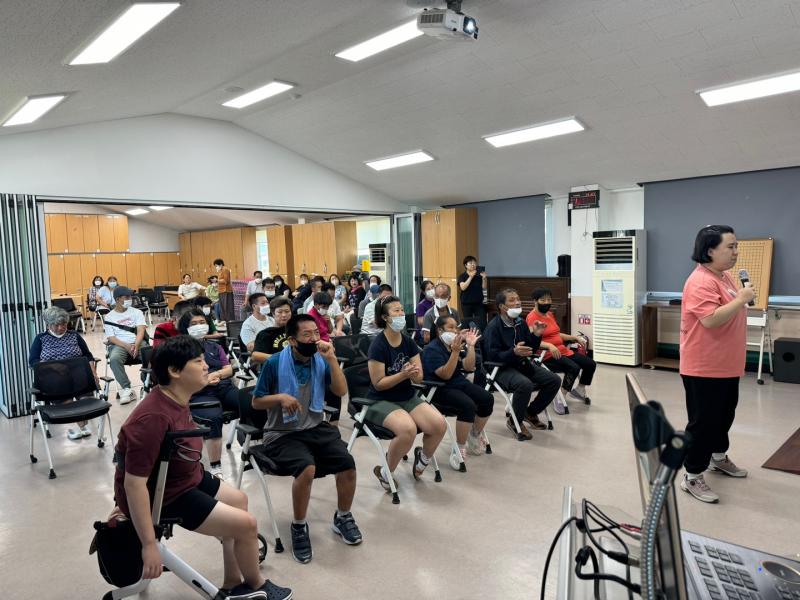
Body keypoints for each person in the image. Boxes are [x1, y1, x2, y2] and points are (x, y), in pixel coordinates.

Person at [113, 335, 292, 599]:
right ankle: (256, 585)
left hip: (183, 476)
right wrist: (149, 543)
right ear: (175, 371)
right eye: (198, 361)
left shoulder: (178, 395)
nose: (206, 365)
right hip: (165, 496)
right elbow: (134, 484)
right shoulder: (152, 418)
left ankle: (233, 583)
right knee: (246, 525)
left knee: (239, 500)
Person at [252, 314, 361, 564]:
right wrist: (280, 398)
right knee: (306, 468)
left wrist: (331, 359)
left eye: (316, 333)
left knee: (347, 463)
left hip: (314, 425)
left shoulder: (320, 360)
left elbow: (341, 391)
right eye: (307, 335)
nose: (314, 339)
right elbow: (256, 402)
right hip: (281, 433)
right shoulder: (274, 363)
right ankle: (299, 525)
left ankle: (343, 516)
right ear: (292, 340)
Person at [679, 225, 753, 504]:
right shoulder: (700, 281)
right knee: (703, 423)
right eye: (730, 247)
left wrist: (741, 298)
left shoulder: (724, 276)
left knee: (724, 416)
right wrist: (742, 299)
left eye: (736, 246)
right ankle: (692, 475)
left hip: (726, 364)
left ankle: (717, 457)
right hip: (704, 367)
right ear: (710, 250)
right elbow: (710, 319)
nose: (736, 252)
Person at [366, 296, 447, 491]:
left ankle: (423, 459)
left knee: (439, 424)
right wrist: (403, 375)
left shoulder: (408, 342)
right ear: (385, 317)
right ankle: (386, 472)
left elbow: (418, 379)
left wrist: (414, 373)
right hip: (380, 400)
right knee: (407, 430)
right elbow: (378, 384)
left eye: (402, 309)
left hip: (406, 396)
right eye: (396, 311)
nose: (401, 313)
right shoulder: (378, 345)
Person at [483, 288, 560, 440]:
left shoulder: (520, 322)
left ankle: (529, 413)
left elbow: (530, 348)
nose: (517, 302)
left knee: (554, 380)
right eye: (512, 300)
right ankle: (514, 421)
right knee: (525, 384)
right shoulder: (493, 327)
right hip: (500, 368)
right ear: (502, 306)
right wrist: (513, 352)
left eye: (518, 299)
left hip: (521, 364)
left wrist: (536, 335)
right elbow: (492, 356)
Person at [422, 316, 494, 469]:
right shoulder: (432, 349)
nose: (455, 331)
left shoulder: (454, 345)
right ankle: (460, 447)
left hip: (457, 383)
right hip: (438, 389)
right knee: (468, 405)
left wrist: (470, 346)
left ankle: (474, 434)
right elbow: (445, 375)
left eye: (456, 327)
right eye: (451, 327)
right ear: (440, 330)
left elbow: (469, 367)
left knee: (487, 398)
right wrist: (455, 352)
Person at [178, 310, 239, 479]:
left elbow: (229, 369)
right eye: (194, 324)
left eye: (202, 322)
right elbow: (180, 378)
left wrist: (216, 374)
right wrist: (204, 380)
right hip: (199, 393)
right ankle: (215, 467)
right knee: (214, 418)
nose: (199, 326)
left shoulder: (214, 346)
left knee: (251, 401)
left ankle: (252, 441)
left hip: (224, 388)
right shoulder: (179, 349)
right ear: (185, 327)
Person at [29, 306, 97, 440]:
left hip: (77, 374)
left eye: (64, 324)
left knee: (84, 387)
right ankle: (81, 424)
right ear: (48, 325)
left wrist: (93, 373)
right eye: (56, 325)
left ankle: (80, 424)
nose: (61, 328)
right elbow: (33, 361)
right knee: (60, 385)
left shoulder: (74, 336)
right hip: (53, 377)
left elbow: (88, 355)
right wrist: (54, 366)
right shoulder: (41, 339)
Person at [527, 287, 596, 415]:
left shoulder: (549, 314)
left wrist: (574, 337)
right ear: (535, 301)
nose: (547, 302)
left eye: (549, 299)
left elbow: (556, 334)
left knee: (590, 364)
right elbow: (532, 341)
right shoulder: (532, 317)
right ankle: (560, 396)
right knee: (573, 368)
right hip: (546, 355)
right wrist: (549, 345)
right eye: (543, 300)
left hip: (562, 350)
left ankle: (580, 390)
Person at [104, 286, 149, 406]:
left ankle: (147, 384)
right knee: (114, 359)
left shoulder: (137, 312)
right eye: (127, 297)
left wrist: (136, 345)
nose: (130, 299)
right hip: (119, 344)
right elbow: (111, 338)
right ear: (118, 299)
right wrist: (126, 346)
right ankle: (127, 389)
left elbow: (141, 330)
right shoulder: (109, 317)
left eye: (130, 297)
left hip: (138, 342)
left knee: (152, 356)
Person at [251, 297, 293, 365]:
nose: (284, 315)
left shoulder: (297, 331)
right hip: (275, 368)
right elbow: (255, 356)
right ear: (273, 314)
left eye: (287, 311)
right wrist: (282, 358)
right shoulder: (266, 334)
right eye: (280, 312)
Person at [458, 256, 487, 329]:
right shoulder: (462, 276)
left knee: (482, 322)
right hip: (466, 303)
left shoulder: (479, 275)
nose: (473, 264)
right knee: (468, 323)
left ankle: (483, 335)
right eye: (470, 263)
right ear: (465, 265)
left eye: (474, 263)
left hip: (478, 303)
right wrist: (470, 277)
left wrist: (484, 278)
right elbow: (463, 287)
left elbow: (484, 287)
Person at [214, 259, 235, 323]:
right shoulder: (220, 271)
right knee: (222, 307)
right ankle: (224, 321)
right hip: (221, 291)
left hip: (226, 291)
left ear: (220, 264)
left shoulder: (225, 269)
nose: (216, 267)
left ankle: (229, 321)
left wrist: (217, 280)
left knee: (227, 307)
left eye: (216, 265)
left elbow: (226, 281)